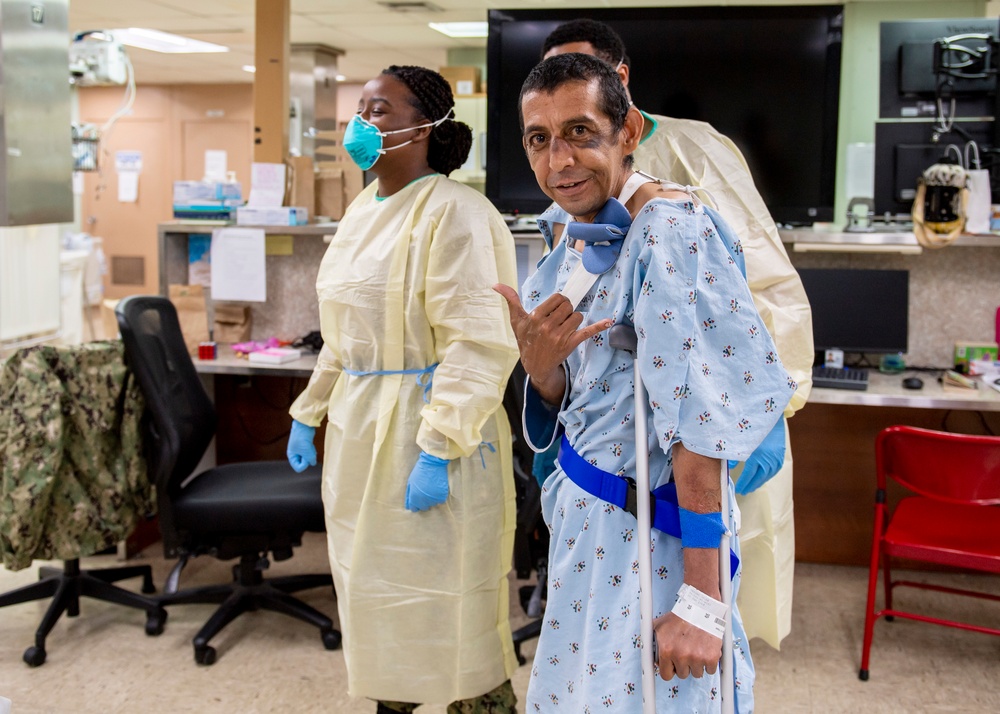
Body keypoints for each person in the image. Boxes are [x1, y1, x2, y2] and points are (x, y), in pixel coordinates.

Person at [494, 53, 796, 712]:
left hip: (649, 535)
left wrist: (700, 602)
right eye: (539, 139)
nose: (558, 160)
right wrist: (540, 364)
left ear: (628, 132)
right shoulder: (579, 235)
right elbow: (573, 394)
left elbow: (698, 423)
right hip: (586, 524)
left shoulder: (669, 231)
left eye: (580, 132)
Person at [541, 18, 814, 649]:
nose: (561, 145)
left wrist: (776, 399)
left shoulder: (692, 167)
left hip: (703, 409)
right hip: (605, 439)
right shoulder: (564, 174)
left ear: (621, 84)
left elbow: (763, 274)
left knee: (690, 603)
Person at [285, 65, 520, 712]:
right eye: (358, 108)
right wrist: (311, 411)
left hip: (430, 432)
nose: (360, 123)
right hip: (361, 436)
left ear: (425, 126)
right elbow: (343, 331)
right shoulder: (363, 209)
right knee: (374, 598)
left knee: (447, 609)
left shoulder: (457, 212)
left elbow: (479, 342)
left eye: (379, 109)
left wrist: (441, 445)